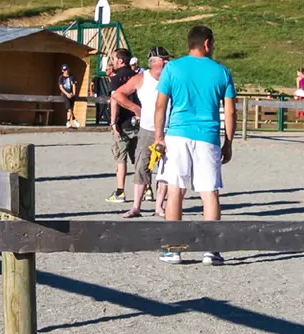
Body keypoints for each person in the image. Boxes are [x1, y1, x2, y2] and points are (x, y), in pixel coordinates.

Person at [152, 25, 236, 265]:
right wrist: (228, 142)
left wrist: (159, 136)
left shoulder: (173, 68)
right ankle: (211, 249)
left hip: (177, 134)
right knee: (209, 192)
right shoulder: (222, 72)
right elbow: (229, 111)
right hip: (208, 136)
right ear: (207, 43)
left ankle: (173, 249)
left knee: (176, 190)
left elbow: (160, 106)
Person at [113, 46, 168, 218]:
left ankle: (159, 206)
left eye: (167, 59)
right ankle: (136, 206)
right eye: (163, 60)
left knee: (166, 169)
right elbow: (118, 94)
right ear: (152, 63)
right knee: (141, 167)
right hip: (147, 129)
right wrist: (136, 108)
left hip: (170, 129)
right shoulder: (141, 78)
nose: (167, 62)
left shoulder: (173, 78)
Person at [101, 48, 139, 203]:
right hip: (137, 121)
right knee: (138, 158)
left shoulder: (117, 78)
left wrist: (113, 122)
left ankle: (120, 192)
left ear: (120, 60)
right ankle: (148, 189)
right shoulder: (138, 76)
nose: (112, 62)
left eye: (113, 59)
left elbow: (116, 100)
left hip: (123, 123)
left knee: (120, 158)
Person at [58, 64, 79, 129]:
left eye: (66, 69)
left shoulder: (71, 77)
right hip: (64, 93)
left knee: (70, 108)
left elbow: (73, 85)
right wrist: (67, 94)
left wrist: (73, 93)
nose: (66, 71)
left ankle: (67, 121)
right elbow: (61, 87)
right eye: (64, 70)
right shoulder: (61, 77)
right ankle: (74, 118)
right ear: (62, 71)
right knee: (69, 106)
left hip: (70, 93)